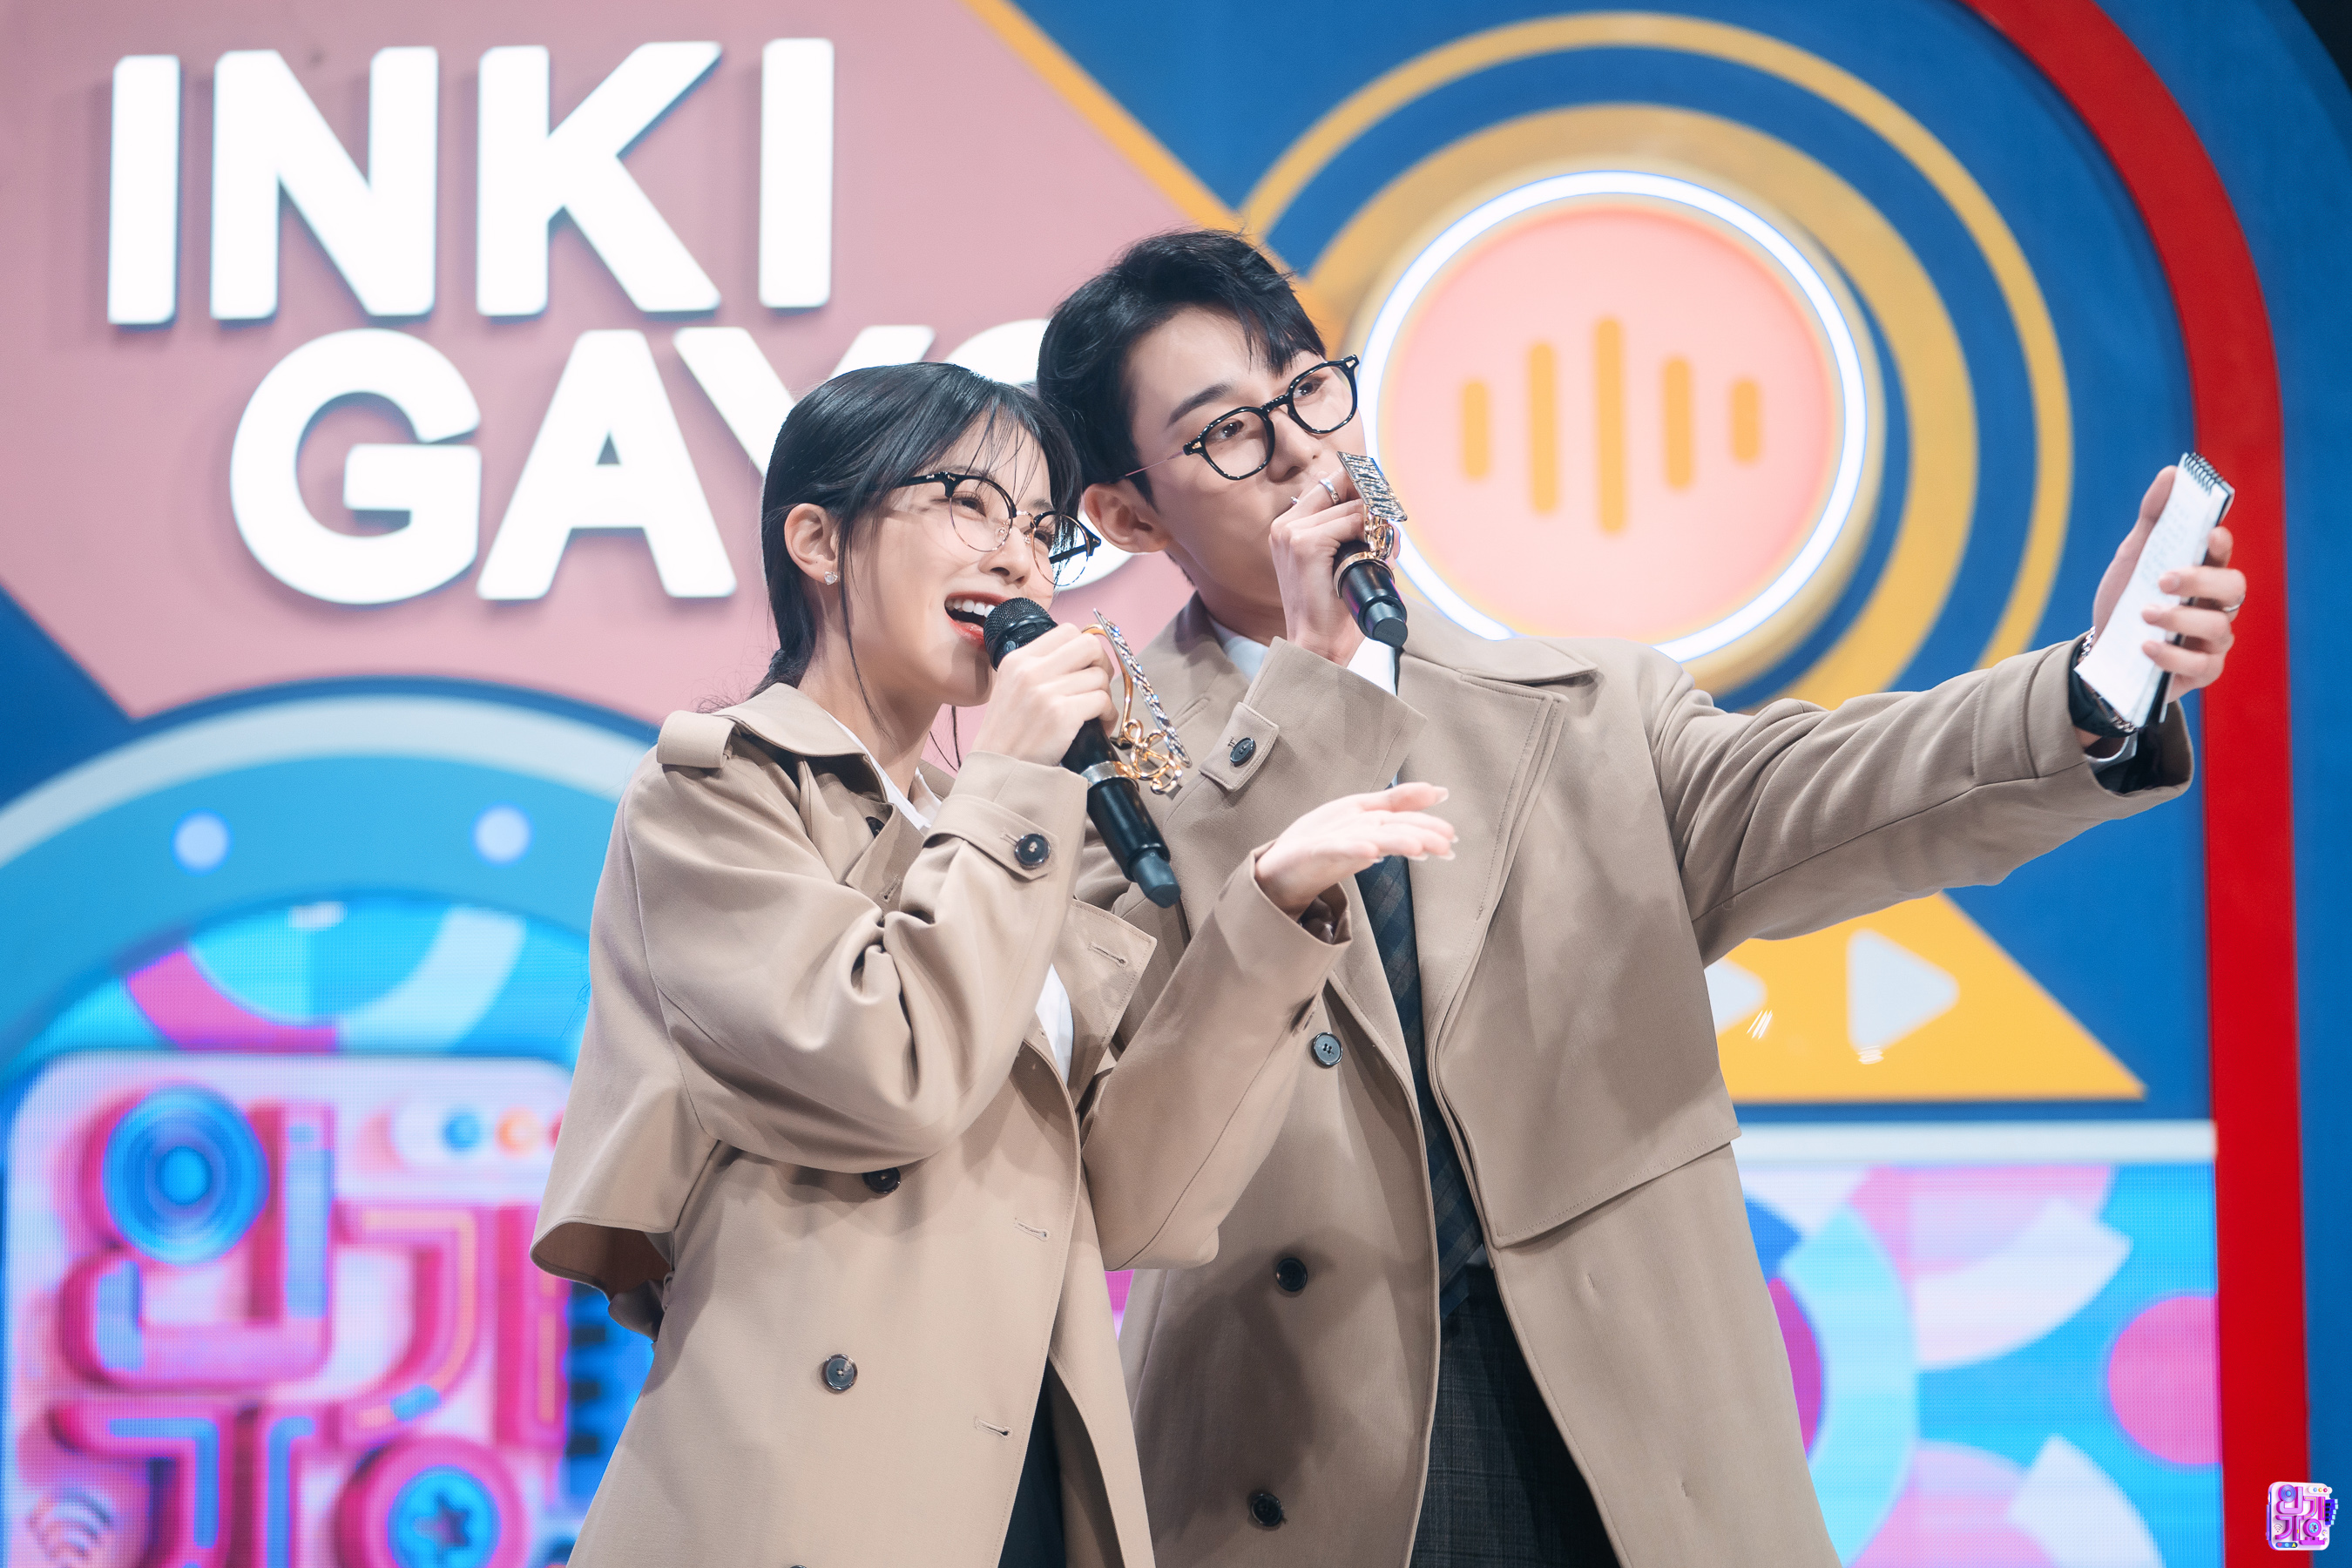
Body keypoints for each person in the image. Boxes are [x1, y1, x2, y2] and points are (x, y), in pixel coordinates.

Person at [1035, 231, 2245, 1568]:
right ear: (1129, 519)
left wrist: (2086, 690)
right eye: (1229, 434)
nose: (1303, 451)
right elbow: (1142, 1100)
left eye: (1311, 390)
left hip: (1628, 1431)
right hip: (1299, 1455)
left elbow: (1837, 786)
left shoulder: (1586, 709)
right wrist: (1314, 697)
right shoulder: (1095, 772)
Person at [530, 361, 1458, 1567]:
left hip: (1029, 1466)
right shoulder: (715, 794)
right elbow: (887, 1074)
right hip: (808, 1487)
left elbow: (1136, 1198)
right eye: (969, 503)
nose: (1020, 559)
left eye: (1038, 528)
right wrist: (1017, 777)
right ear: (818, 539)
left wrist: (1270, 917)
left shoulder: (996, 826)